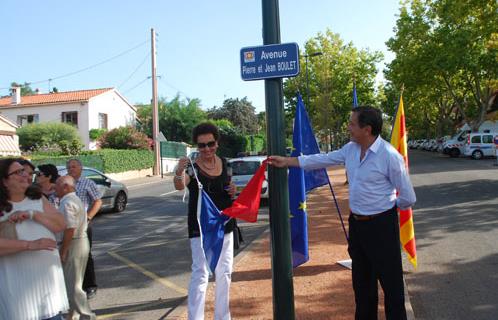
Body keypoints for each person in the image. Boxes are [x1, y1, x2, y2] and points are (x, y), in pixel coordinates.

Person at [269, 106, 416, 320]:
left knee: (392, 287)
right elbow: (323, 158)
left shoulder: (390, 156)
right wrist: (289, 162)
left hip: (383, 227)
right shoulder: (351, 149)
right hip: (357, 226)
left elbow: (408, 197)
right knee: (362, 287)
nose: (348, 128)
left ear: (367, 129)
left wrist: (386, 209)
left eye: (352, 124)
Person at [174, 122, 237, 320]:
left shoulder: (225, 163)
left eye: (210, 144)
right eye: (202, 145)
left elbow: (228, 187)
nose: (207, 149)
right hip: (200, 229)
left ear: (217, 143)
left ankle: (223, 317)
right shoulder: (192, 169)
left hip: (225, 225)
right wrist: (178, 171)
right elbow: (179, 185)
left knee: (224, 273)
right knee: (201, 275)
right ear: (197, 147)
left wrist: (233, 190)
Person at [0, 158, 68, 320]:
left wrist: (33, 214)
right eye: (18, 172)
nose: (25, 175)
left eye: (25, 171)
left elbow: (60, 224)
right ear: (4, 181)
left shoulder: (37, 199)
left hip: (48, 289)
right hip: (18, 295)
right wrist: (30, 245)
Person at [55, 176, 96, 320]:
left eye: (57, 186)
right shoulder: (74, 199)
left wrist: (63, 250)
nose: (55, 189)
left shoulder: (67, 202)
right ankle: (73, 315)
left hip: (74, 243)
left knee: (73, 286)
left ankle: (88, 315)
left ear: (65, 186)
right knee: (74, 282)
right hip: (80, 242)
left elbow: (70, 229)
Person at [66, 159, 102, 299]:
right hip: (66, 225)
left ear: (80, 168)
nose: (71, 169)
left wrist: (88, 217)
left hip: (82, 225)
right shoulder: (65, 183)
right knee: (68, 255)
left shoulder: (88, 183)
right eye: (68, 167)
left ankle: (90, 286)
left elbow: (98, 201)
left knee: (86, 255)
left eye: (74, 166)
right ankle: (74, 285)